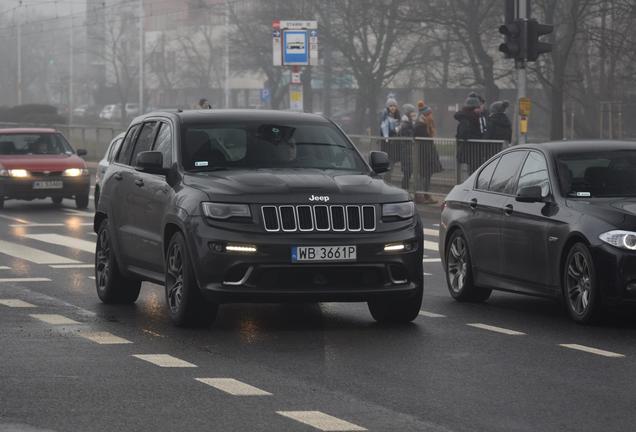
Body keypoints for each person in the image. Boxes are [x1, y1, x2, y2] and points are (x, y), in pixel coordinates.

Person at [413, 106, 442, 198]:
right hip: (424, 154)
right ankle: (421, 195)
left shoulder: (427, 124)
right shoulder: (420, 126)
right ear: (425, 115)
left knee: (427, 175)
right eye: (429, 114)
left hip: (428, 153)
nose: (431, 115)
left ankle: (426, 195)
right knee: (423, 176)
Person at [455, 95, 484, 174]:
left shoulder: (467, 118)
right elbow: (464, 133)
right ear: (473, 108)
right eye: (477, 107)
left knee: (473, 170)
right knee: (473, 171)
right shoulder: (468, 119)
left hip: (471, 149)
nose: (479, 109)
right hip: (472, 149)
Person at [396, 104, 417, 189]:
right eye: (412, 112)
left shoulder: (408, 123)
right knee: (407, 172)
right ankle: (405, 189)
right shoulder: (406, 124)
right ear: (408, 113)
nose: (414, 114)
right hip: (406, 151)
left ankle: (405, 189)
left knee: (408, 172)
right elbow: (408, 136)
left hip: (407, 150)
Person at [379, 97, 401, 163]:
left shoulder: (398, 115)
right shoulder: (385, 116)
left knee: (392, 160)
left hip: (395, 143)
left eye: (394, 106)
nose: (392, 108)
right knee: (387, 160)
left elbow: (399, 125)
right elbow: (382, 129)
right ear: (388, 107)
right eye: (390, 106)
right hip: (387, 142)